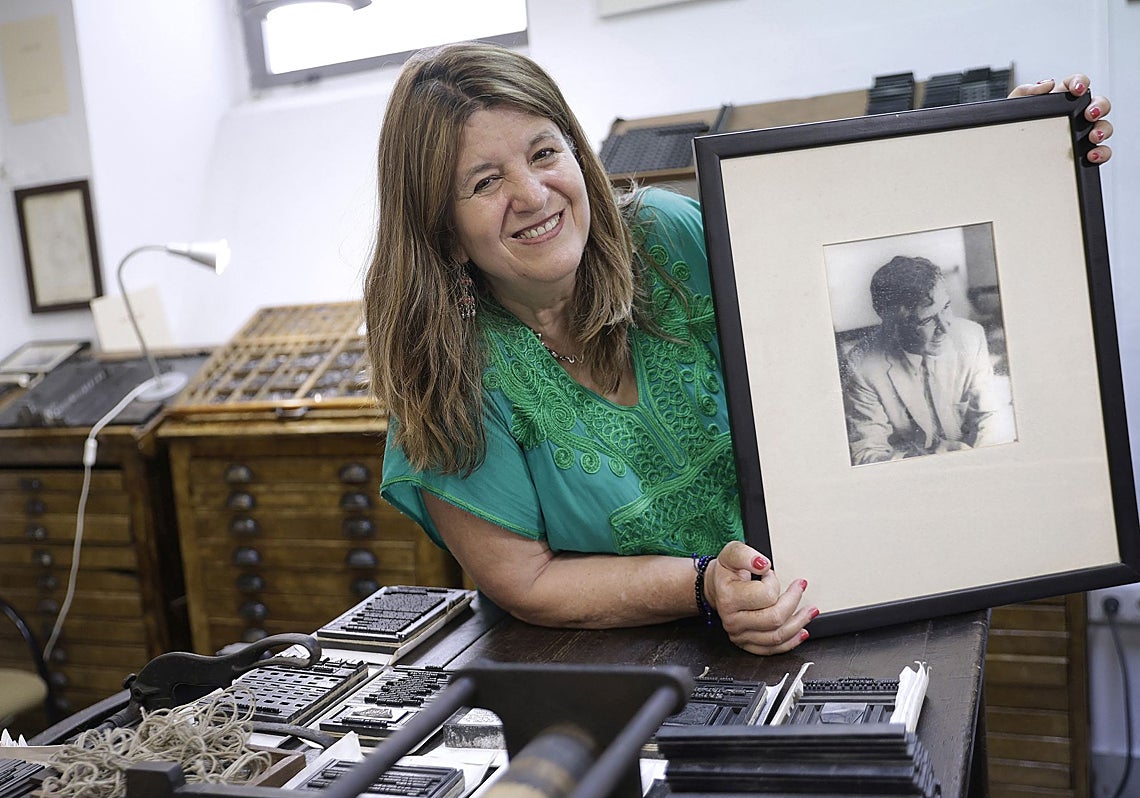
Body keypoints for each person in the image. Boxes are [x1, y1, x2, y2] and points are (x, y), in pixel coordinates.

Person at [362, 41, 1114, 656]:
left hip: (840, 596)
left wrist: (1011, 159)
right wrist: (702, 587)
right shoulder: (450, 373)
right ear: (440, 229)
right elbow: (524, 579)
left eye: (544, 151)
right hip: (634, 669)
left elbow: (829, 264)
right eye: (486, 181)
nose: (532, 194)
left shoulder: (664, 237)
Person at [842, 256, 1011, 465]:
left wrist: (978, 460)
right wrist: (926, 461)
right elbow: (867, 454)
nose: (946, 327)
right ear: (893, 325)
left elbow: (989, 416)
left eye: (946, 307)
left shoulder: (972, 337)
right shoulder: (860, 366)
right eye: (928, 320)